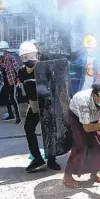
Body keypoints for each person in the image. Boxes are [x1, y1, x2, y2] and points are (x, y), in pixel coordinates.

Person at [16, 41, 62, 172]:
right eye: (26, 57)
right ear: (22, 58)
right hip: (34, 105)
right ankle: (37, 158)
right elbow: (24, 89)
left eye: (32, 56)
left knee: (49, 131)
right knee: (28, 128)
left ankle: (52, 159)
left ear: (36, 55)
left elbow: (54, 86)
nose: (30, 59)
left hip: (47, 104)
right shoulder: (21, 72)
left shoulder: (44, 69)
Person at [62, 79, 100, 188]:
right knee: (80, 145)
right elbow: (87, 128)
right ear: (95, 96)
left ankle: (94, 174)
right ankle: (67, 176)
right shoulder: (83, 100)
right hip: (77, 118)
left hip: (94, 118)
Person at [0, 41, 21, 123]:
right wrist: (0, 81)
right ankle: (11, 114)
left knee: (13, 99)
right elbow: (2, 71)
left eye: (1, 50)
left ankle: (18, 117)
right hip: (5, 81)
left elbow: (17, 69)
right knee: (5, 98)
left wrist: (18, 79)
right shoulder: (1, 59)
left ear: (5, 50)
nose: (0, 51)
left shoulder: (11, 58)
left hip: (12, 81)